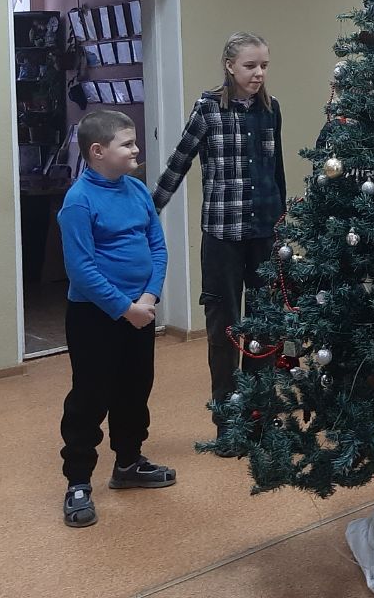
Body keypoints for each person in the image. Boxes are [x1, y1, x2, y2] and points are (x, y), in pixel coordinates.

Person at [152, 32, 285, 445]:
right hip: (222, 235)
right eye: (250, 65)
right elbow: (179, 162)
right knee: (224, 329)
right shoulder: (208, 109)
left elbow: (276, 171)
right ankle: (227, 423)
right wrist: (149, 210)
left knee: (264, 327)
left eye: (264, 65)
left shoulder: (271, 110)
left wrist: (282, 223)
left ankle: (259, 418)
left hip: (264, 235)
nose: (258, 73)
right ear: (229, 66)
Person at [58, 109, 174, 528]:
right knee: (90, 397)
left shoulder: (138, 190)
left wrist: (148, 297)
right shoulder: (78, 201)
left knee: (135, 389)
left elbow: (157, 247)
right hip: (95, 317)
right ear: (97, 151)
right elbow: (81, 270)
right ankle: (78, 482)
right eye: (127, 144)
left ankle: (128, 463)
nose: (136, 149)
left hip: (140, 312)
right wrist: (126, 308)